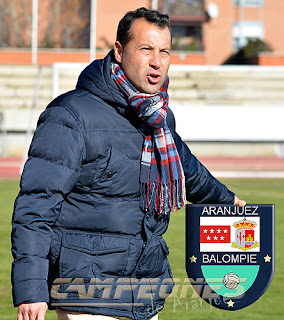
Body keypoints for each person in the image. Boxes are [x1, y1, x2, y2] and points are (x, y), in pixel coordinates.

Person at [12, 7, 245, 320]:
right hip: (86, 294)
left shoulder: (159, 117)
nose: (157, 61)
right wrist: (31, 288)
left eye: (164, 51)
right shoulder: (70, 115)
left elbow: (188, 171)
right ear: (119, 51)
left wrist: (228, 201)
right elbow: (36, 207)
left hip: (146, 291)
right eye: (146, 49)